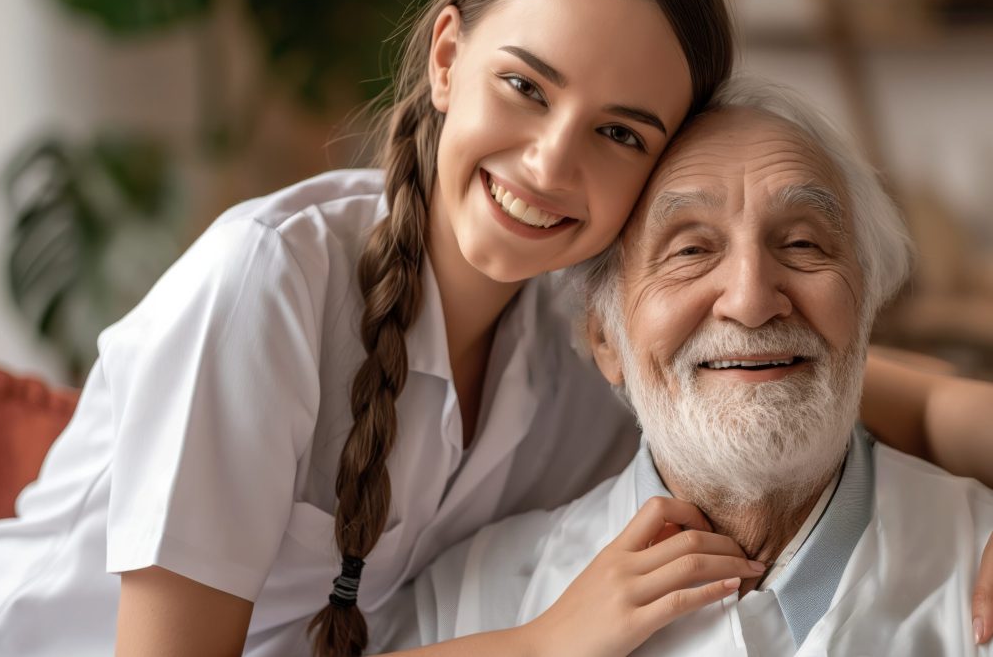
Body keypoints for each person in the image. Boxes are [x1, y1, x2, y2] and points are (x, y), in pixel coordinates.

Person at [0, 0, 991, 655]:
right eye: (525, 86)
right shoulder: (270, 282)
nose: (551, 165)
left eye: (619, 133)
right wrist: (548, 641)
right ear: (445, 56)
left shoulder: (585, 328)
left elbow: (908, 399)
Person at [391, 80, 993, 656]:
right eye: (690, 250)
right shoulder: (470, 601)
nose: (752, 300)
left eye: (804, 244)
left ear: (866, 307)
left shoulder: (977, 556)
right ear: (605, 338)